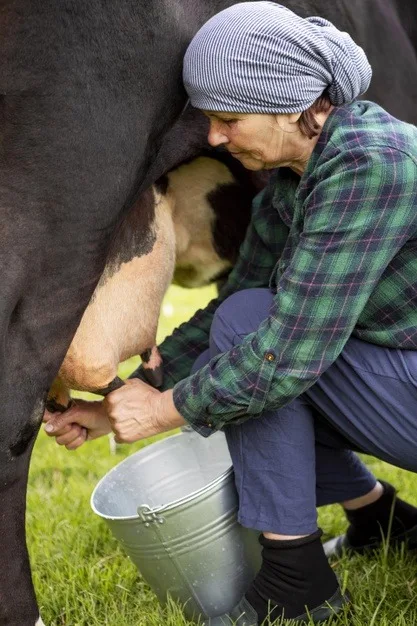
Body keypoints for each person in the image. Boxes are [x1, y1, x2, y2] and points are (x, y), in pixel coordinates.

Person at [44, 2, 417, 624]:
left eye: (227, 118)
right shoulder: (297, 183)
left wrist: (163, 412)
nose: (213, 138)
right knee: (240, 323)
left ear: (289, 105)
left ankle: (295, 584)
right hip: (400, 374)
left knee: (258, 344)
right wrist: (125, 400)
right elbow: (230, 311)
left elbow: (287, 352)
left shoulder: (369, 167)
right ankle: (381, 519)